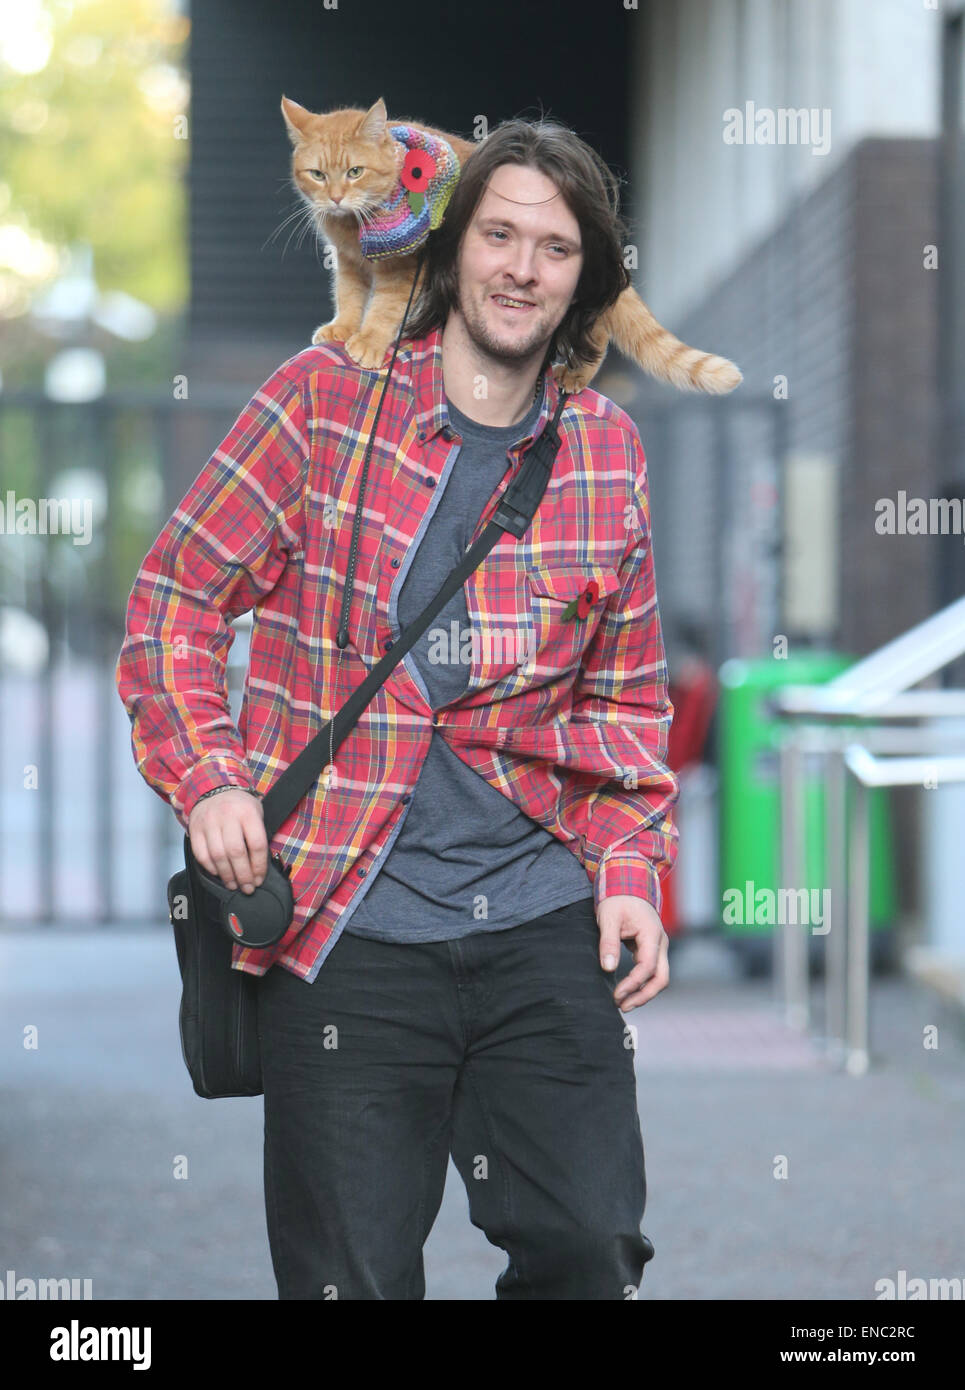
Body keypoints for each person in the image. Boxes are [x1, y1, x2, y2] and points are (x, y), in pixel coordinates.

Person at [115, 115, 679, 1300]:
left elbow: (624, 702)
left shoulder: (605, 452)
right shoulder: (326, 401)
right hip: (348, 930)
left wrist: (627, 872)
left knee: (588, 1250)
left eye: (557, 247)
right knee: (350, 1280)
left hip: (539, 922)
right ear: (451, 245)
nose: (522, 268)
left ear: (587, 278)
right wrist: (209, 774)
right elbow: (174, 602)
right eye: (500, 234)